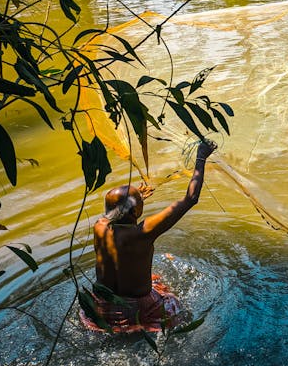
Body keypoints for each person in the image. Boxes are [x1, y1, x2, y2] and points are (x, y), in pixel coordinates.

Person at [80, 139, 218, 333]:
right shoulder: (143, 232)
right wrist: (201, 157)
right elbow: (191, 198)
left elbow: (117, 210)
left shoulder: (99, 226)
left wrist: (137, 198)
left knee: (155, 278)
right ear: (134, 212)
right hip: (139, 309)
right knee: (173, 302)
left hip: (103, 306)